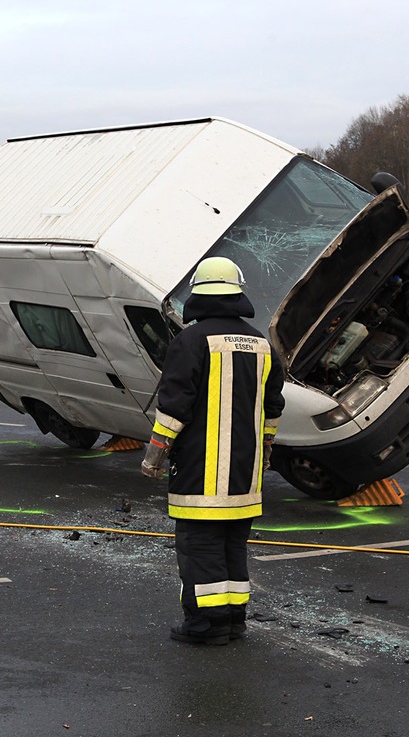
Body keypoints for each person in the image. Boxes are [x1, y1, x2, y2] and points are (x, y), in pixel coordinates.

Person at [140, 257, 285, 645]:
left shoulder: (190, 341)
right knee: (233, 548)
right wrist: (266, 451)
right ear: (238, 291)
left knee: (200, 549)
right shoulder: (261, 344)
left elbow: (173, 408)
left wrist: (154, 456)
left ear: (197, 295)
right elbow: (273, 408)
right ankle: (234, 620)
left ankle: (206, 625)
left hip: (200, 474)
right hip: (246, 475)